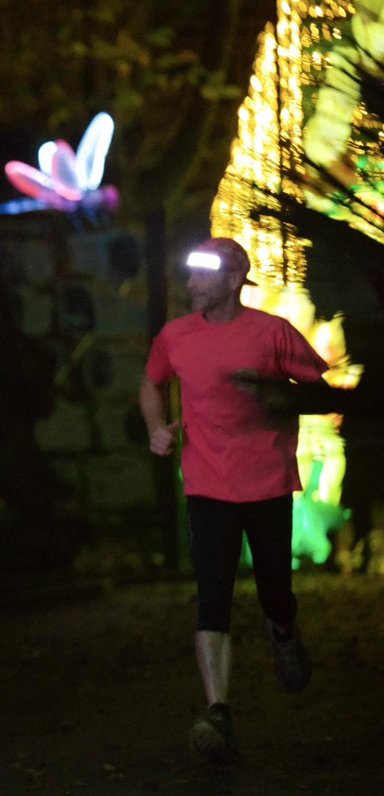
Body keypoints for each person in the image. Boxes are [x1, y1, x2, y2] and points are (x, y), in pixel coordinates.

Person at [139, 236, 328, 762]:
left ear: (232, 280)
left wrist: (274, 395)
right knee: (212, 595)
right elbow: (151, 383)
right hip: (206, 484)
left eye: (204, 275)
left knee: (274, 590)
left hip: (267, 482)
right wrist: (157, 428)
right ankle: (217, 711)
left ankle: (284, 630)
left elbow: (318, 387)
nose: (192, 284)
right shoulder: (175, 336)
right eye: (190, 274)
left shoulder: (273, 332)